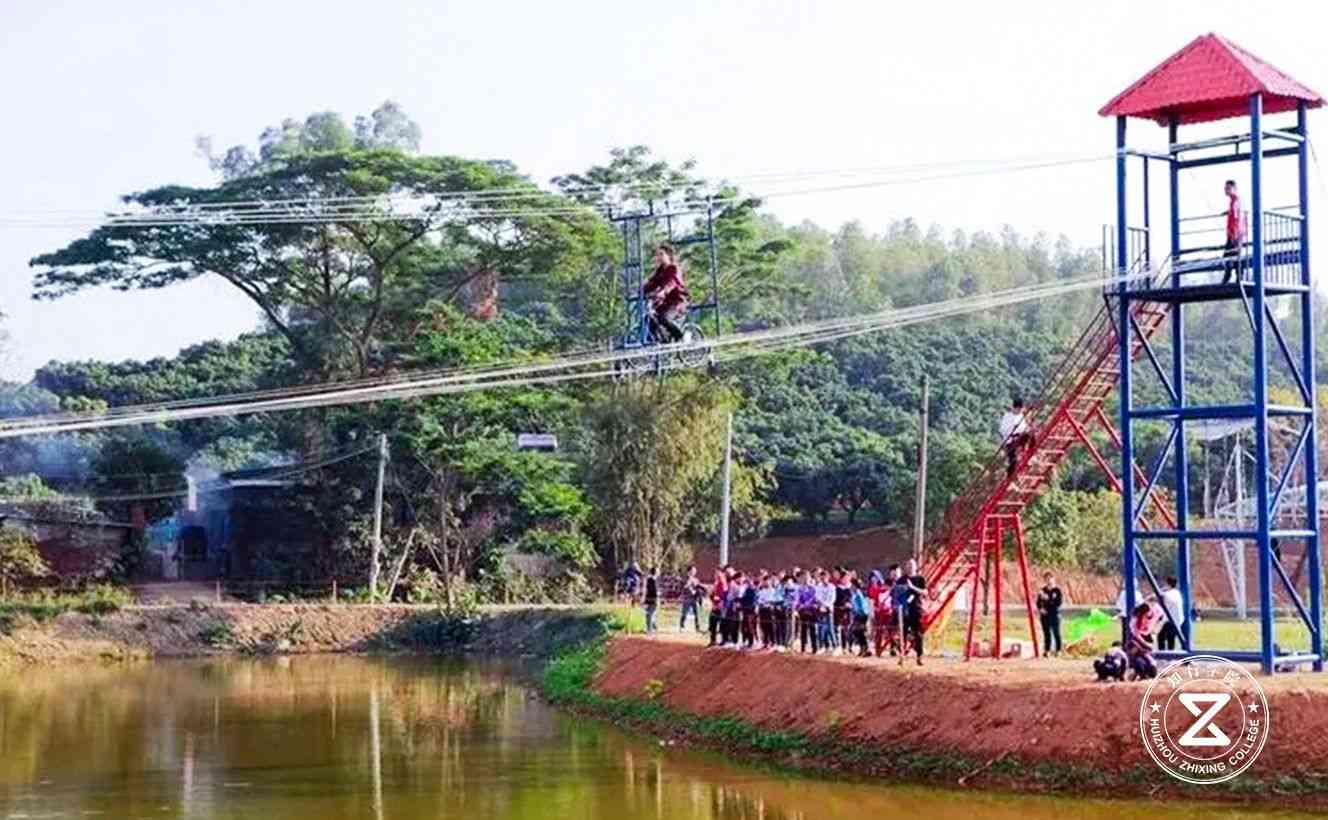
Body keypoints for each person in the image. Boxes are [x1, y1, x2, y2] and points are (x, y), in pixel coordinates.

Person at [643, 244, 690, 343]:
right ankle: (662, 341)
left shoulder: (674, 269)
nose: (659, 257)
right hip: (664, 303)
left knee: (664, 318)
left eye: (661, 254)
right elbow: (652, 283)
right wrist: (642, 290)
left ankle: (681, 336)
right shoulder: (659, 271)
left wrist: (663, 292)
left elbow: (672, 283)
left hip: (677, 302)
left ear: (668, 255)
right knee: (649, 318)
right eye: (657, 255)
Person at [896, 559, 928, 666]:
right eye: (908, 565)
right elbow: (897, 593)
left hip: (916, 608)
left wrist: (912, 587)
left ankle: (919, 656)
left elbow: (925, 592)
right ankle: (901, 656)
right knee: (902, 634)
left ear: (916, 566)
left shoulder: (920, 579)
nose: (910, 567)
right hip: (903, 609)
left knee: (918, 633)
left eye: (912, 565)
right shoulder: (901, 579)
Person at [999, 398, 1033, 478]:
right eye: (1020, 409)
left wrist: (1026, 429)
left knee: (1031, 435)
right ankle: (1009, 477)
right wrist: (1013, 431)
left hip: (1019, 437)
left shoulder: (1020, 416)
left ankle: (1030, 454)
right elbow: (1002, 430)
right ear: (1016, 408)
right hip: (1010, 441)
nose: (1020, 411)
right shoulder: (1007, 416)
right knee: (1013, 460)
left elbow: (1023, 427)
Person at [1036, 572, 1064, 657]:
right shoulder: (1043, 590)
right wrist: (1041, 609)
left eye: (1050, 578)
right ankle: (1047, 650)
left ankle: (1058, 650)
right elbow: (1038, 602)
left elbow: (1058, 603)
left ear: (1053, 579)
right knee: (1046, 633)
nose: (1048, 581)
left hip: (1054, 614)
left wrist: (1048, 599)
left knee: (1056, 633)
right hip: (1045, 615)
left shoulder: (1057, 591)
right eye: (1046, 579)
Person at [1222, 179, 1245, 284]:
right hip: (1235, 232)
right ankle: (1238, 277)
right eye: (1225, 188)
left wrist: (1234, 232)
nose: (1225, 190)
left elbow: (1237, 217)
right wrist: (1228, 212)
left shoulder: (1235, 200)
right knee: (1234, 255)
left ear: (1234, 189)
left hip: (1235, 233)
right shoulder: (1234, 201)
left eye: (1228, 188)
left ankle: (1230, 276)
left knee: (1229, 255)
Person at [1127, 602, 1157, 680]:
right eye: (1148, 612)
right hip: (1135, 639)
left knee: (1152, 670)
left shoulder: (1145, 617)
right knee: (1137, 656)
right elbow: (1136, 635)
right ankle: (1137, 672)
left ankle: (1146, 671)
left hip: (1142, 638)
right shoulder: (1136, 620)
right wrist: (1146, 645)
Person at [1157, 575, 1185, 652]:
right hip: (1178, 619)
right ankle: (1170, 654)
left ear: (1168, 584)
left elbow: (1158, 596)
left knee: (1161, 636)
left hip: (1171, 620)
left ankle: (1163, 654)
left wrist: (1162, 590)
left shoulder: (1167, 594)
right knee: (1170, 637)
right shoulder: (1177, 593)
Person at [796, 571, 820, 654]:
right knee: (803, 630)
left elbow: (813, 599)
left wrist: (805, 605)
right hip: (803, 612)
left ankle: (815, 648)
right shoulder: (800, 589)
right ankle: (803, 648)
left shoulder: (813, 588)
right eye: (804, 578)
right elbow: (798, 599)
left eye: (807, 578)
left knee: (813, 630)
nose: (805, 579)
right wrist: (798, 606)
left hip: (812, 611)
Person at [849, 578, 872, 657]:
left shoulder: (859, 595)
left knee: (859, 632)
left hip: (861, 615)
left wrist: (855, 609)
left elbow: (862, 606)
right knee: (857, 632)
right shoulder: (854, 594)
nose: (851, 586)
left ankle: (865, 648)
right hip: (857, 615)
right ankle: (863, 648)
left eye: (852, 585)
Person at [679, 566, 704, 633]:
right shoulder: (685, 579)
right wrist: (689, 584)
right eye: (693, 570)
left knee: (697, 614)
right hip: (687, 598)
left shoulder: (696, 580)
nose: (694, 572)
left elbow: (699, 588)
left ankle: (697, 627)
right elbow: (684, 587)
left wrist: (700, 593)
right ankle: (682, 626)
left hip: (694, 599)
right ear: (689, 571)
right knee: (684, 613)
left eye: (695, 571)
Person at [707, 569, 727, 647]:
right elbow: (712, 594)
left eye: (719, 574)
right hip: (714, 606)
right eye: (716, 574)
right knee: (712, 623)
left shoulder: (723, 584)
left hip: (720, 607)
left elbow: (723, 596)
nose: (717, 575)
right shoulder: (716, 584)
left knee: (722, 624)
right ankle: (713, 640)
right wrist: (712, 598)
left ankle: (723, 640)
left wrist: (719, 602)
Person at [642, 567, 659, 634]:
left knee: (650, 614)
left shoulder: (649, 580)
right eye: (657, 571)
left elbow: (645, 589)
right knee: (650, 614)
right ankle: (650, 628)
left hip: (650, 599)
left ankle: (651, 628)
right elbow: (653, 591)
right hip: (652, 599)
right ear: (655, 572)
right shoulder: (651, 580)